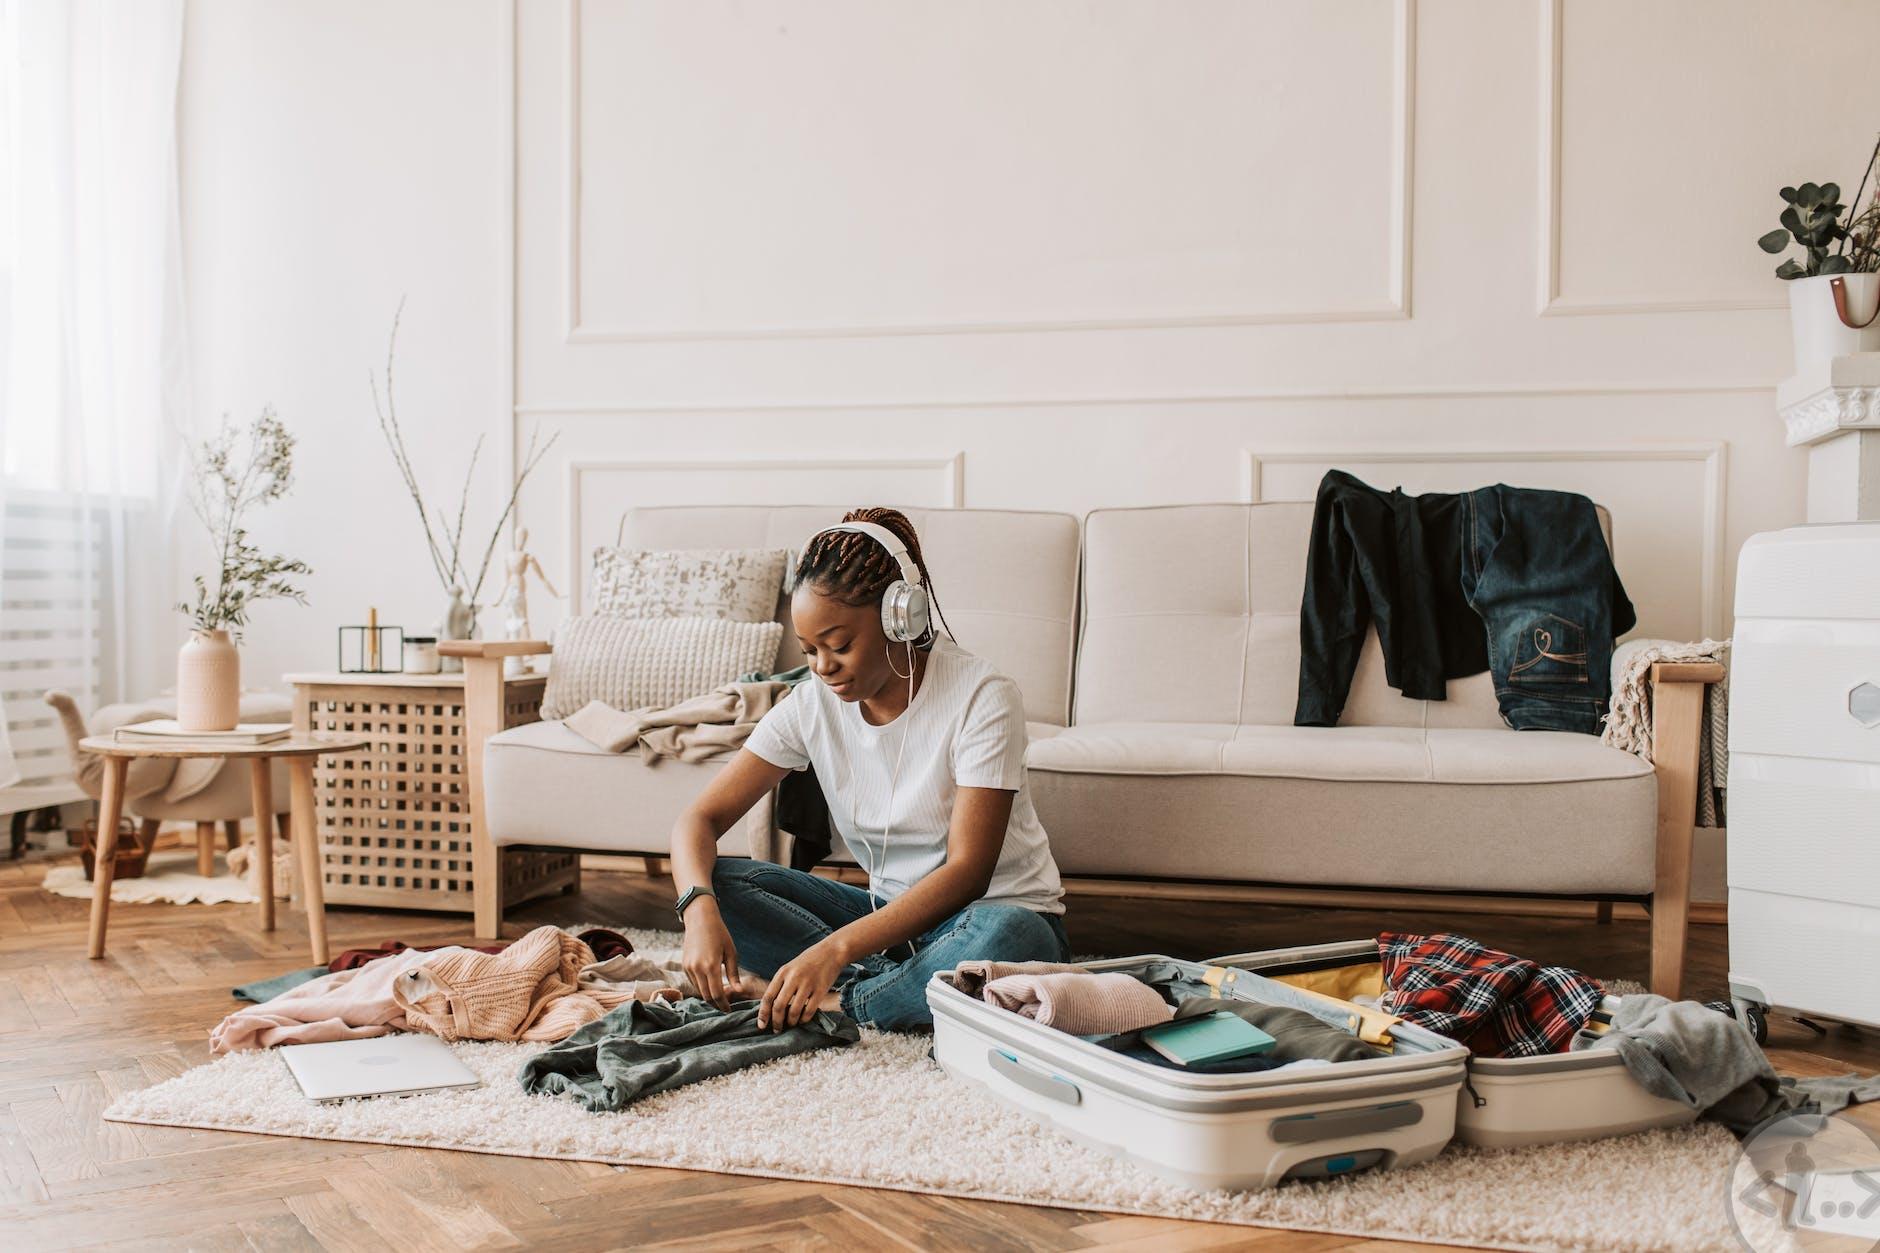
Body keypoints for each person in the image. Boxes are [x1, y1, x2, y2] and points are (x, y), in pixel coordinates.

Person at [668, 507, 1069, 1032]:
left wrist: (833, 950)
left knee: (1014, 936)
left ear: (900, 617)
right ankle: (909, 989)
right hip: (884, 923)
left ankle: (837, 1000)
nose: (822, 667)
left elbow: (968, 873)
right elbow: (697, 822)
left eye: (839, 646)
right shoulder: (809, 704)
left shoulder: (983, 696)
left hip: (988, 915)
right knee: (719, 883)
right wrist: (697, 909)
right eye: (810, 650)